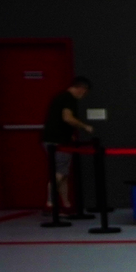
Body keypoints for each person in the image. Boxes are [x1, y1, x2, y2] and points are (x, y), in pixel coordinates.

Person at [41, 75, 95, 215]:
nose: (84, 95)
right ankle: (50, 203)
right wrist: (85, 126)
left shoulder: (60, 97)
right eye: (85, 92)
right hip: (59, 141)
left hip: (53, 139)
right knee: (59, 173)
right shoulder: (69, 99)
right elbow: (67, 118)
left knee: (63, 173)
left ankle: (66, 203)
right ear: (82, 89)